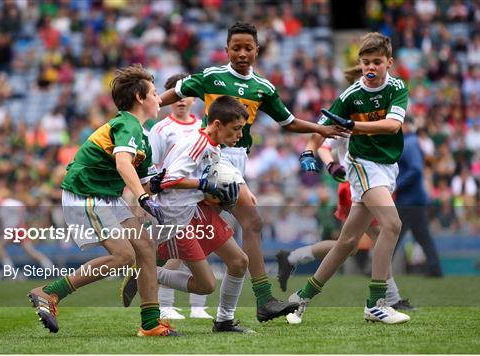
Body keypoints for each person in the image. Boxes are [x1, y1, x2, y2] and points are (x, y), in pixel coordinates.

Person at [154, 21, 348, 323]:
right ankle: (262, 299)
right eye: (236, 48)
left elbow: (289, 122)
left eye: (248, 48)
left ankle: (147, 263)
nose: (242, 53)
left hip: (238, 158)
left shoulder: (263, 87)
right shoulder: (212, 77)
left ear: (257, 50)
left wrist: (319, 128)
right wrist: (145, 106)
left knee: (205, 229)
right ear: (227, 50)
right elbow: (172, 93)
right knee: (252, 221)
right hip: (215, 158)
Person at [27, 64, 180, 337]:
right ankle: (50, 292)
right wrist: (144, 198)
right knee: (124, 255)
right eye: (155, 93)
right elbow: (124, 164)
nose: (160, 99)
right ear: (139, 98)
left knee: (145, 246)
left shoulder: (141, 135)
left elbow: (146, 181)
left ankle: (150, 324)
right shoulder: (127, 124)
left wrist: (161, 193)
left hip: (105, 195)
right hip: (86, 194)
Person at [286, 32, 411, 325]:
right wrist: (308, 151)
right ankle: (376, 303)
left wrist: (353, 125)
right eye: (365, 62)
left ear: (389, 63)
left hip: (386, 167)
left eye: (376, 62)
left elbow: (393, 126)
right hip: (362, 165)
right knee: (392, 225)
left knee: (346, 243)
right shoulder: (350, 95)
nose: (370, 67)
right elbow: (321, 130)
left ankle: (300, 299)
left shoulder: (397, 87)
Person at [149, 95, 253, 333]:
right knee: (205, 285)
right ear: (217, 124)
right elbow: (168, 180)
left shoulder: (212, 146)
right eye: (236, 129)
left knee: (239, 262)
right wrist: (205, 185)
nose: (239, 135)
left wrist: (221, 196)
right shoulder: (198, 143)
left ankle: (224, 322)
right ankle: (145, 273)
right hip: (177, 215)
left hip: (196, 208)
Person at [277, 136, 415, 311]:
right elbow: (323, 146)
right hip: (357, 184)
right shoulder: (352, 116)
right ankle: (390, 298)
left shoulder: (375, 117)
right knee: (372, 236)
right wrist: (332, 165)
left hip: (371, 182)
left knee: (351, 244)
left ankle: (294, 261)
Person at [149, 73, 213, 319]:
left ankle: (198, 307)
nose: (181, 101)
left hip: (200, 197)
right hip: (171, 198)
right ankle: (165, 305)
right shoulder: (161, 128)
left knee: (201, 249)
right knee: (178, 252)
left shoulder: (202, 126)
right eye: (176, 95)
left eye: (187, 95)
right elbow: (152, 167)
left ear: (195, 99)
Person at [396, 115, 443, 277]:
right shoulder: (411, 142)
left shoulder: (409, 143)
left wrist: (396, 185)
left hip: (410, 200)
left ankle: (377, 269)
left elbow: (416, 169)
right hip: (414, 199)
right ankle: (434, 268)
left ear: (407, 125)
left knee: (392, 234)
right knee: (423, 236)